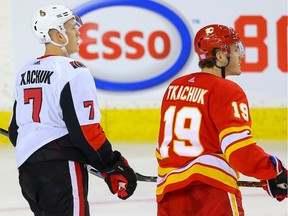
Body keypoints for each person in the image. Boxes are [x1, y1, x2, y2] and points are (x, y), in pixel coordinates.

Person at [8, 4, 137, 216]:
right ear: (58, 35)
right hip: (60, 171)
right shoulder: (74, 72)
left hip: (28, 172)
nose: (78, 31)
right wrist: (112, 165)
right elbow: (86, 132)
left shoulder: (25, 72)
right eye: (71, 27)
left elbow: (15, 132)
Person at [155, 24, 287, 215]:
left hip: (169, 197)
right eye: (236, 49)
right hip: (212, 196)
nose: (241, 56)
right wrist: (274, 171)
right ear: (219, 56)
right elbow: (240, 152)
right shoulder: (227, 90)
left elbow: (161, 149)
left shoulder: (174, 88)